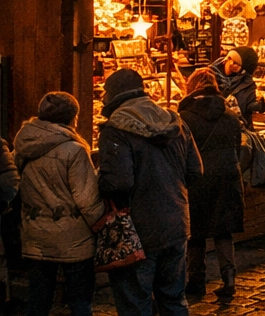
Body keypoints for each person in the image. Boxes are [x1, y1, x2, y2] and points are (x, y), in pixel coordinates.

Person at [95, 68, 202, 316]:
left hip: (137, 230)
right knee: (174, 299)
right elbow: (195, 171)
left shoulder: (116, 129)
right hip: (176, 223)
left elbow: (117, 183)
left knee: (135, 303)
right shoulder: (175, 120)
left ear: (113, 95)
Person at [13, 92, 103, 316]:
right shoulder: (74, 150)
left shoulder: (23, 143)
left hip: (36, 235)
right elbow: (87, 199)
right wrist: (102, 224)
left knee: (38, 298)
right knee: (80, 300)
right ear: (73, 118)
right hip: (74, 239)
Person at [178, 69, 244, 300]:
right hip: (227, 176)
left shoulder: (185, 117)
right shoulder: (230, 116)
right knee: (223, 229)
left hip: (198, 178)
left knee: (196, 230)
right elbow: (238, 149)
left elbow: (181, 153)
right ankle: (229, 278)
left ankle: (196, 280)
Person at [217, 46, 264, 125]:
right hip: (217, 127)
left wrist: (259, 106)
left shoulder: (247, 83)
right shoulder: (210, 75)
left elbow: (248, 104)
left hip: (239, 127)